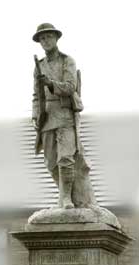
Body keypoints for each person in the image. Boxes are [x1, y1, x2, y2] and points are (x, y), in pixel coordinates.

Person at [32, 23, 96, 209]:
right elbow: (36, 94)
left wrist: (50, 83)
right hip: (47, 117)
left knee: (66, 159)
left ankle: (67, 199)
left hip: (65, 114)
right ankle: (63, 195)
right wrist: (36, 114)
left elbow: (70, 87)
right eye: (42, 38)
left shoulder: (67, 61)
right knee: (51, 162)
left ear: (56, 38)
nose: (45, 41)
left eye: (49, 37)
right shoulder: (39, 66)